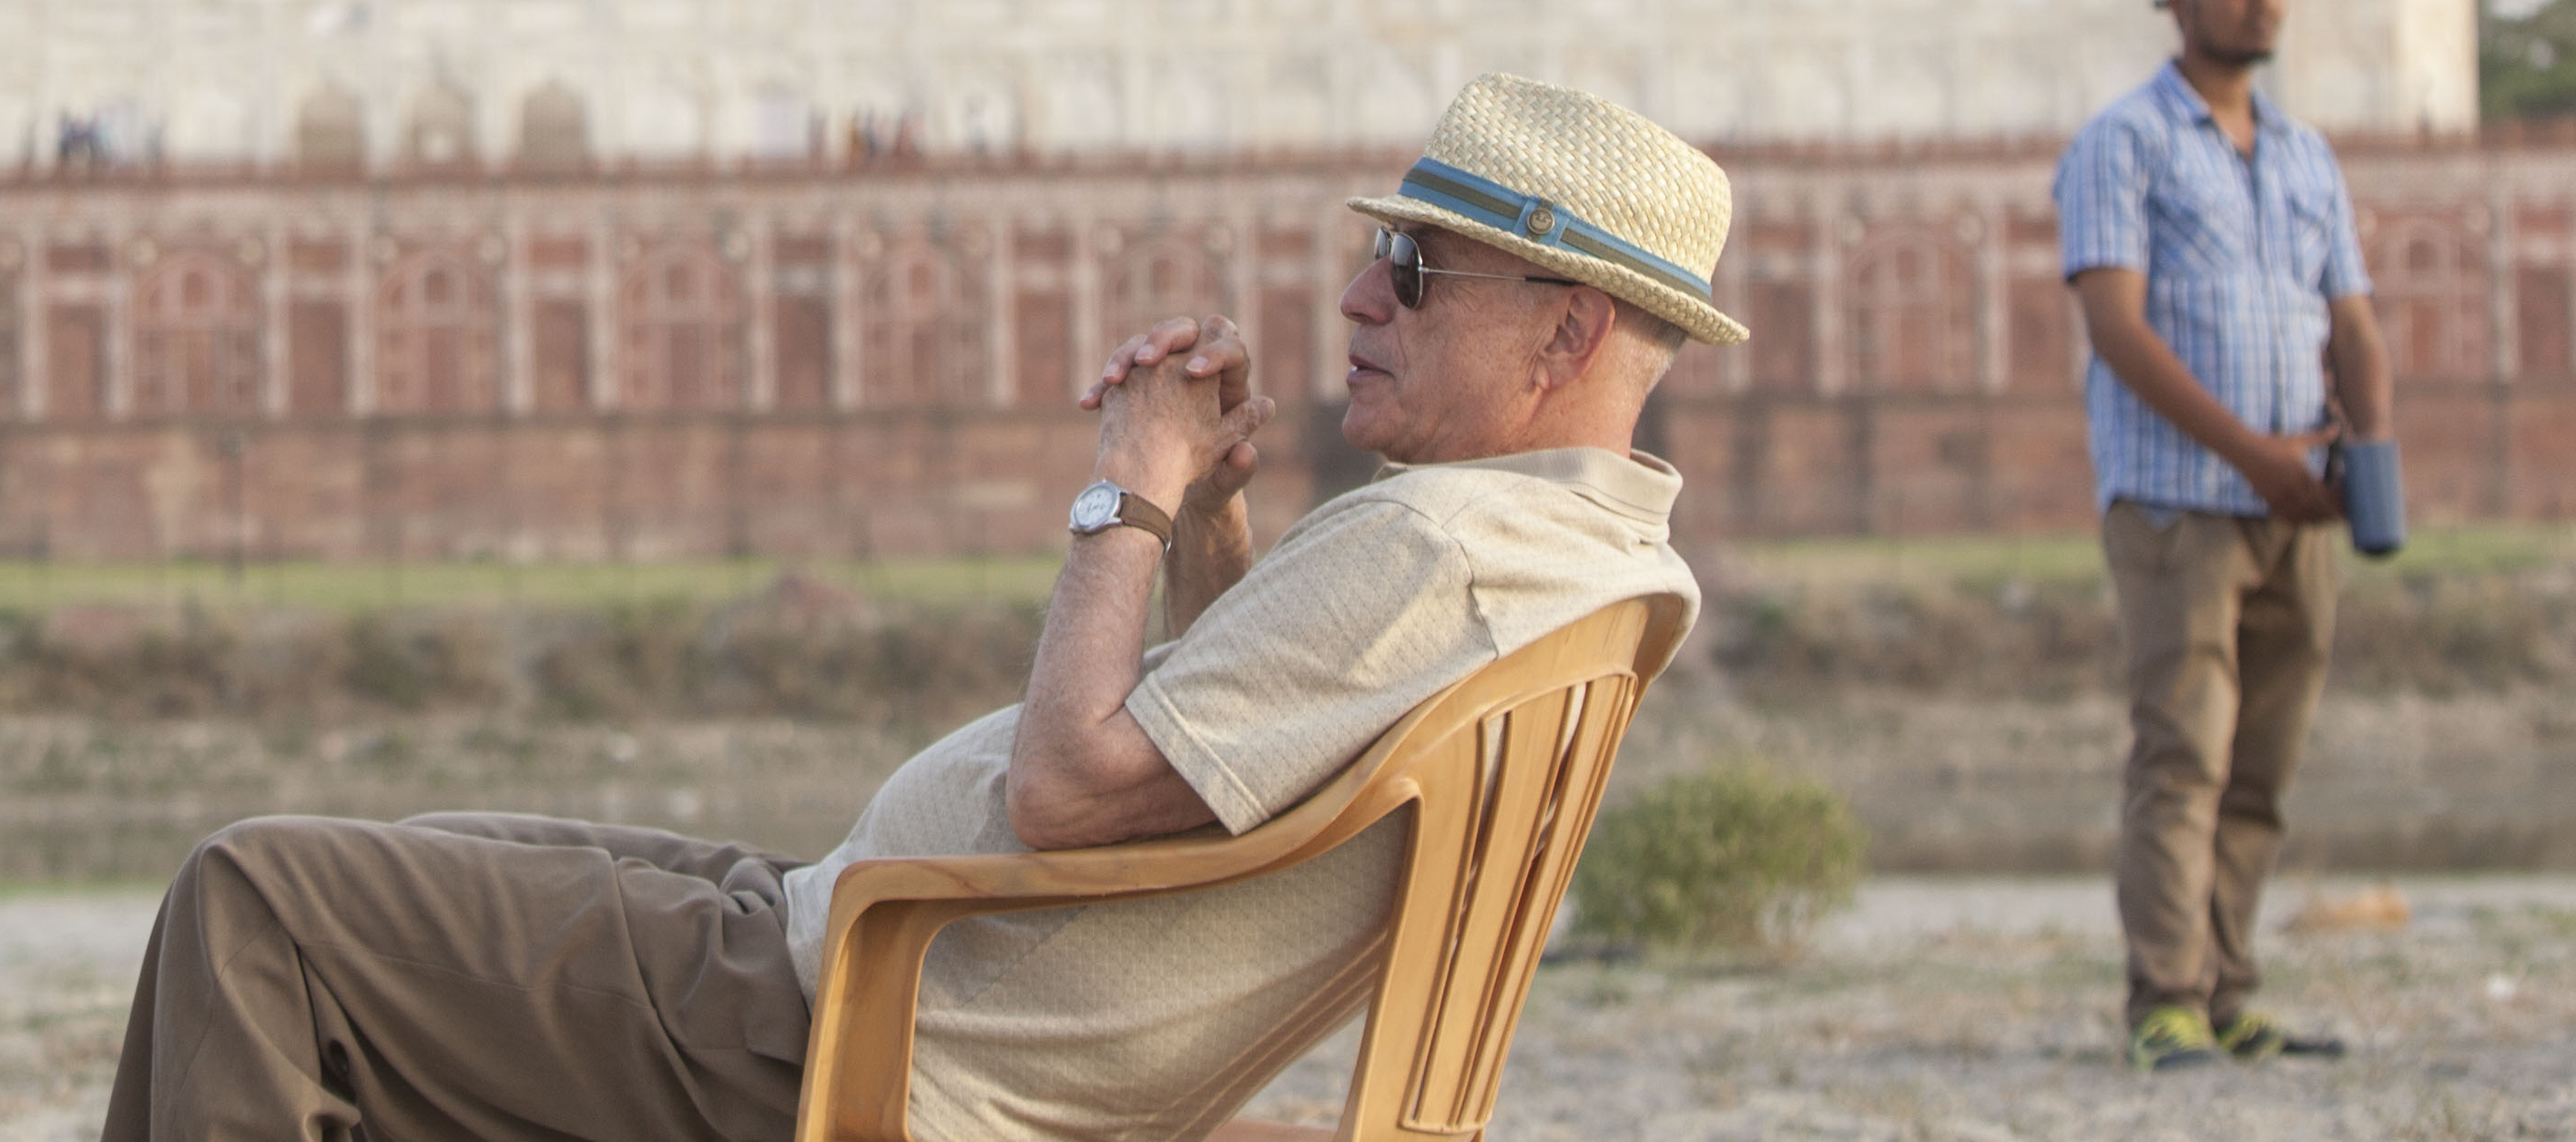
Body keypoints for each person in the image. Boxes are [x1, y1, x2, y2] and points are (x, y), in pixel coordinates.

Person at [95, 76, 1740, 1142]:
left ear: (1568, 332)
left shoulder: (1443, 549)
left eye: (1420, 269)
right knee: (425, 865)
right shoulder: (1587, 557)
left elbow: (1071, 790)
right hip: (861, 949)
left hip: (860, 1030)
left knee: (261, 905)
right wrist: (1214, 515)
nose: (1360, 295)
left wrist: (1129, 482)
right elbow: (1242, 749)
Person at [2055, 0, 2393, 1074]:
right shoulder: (2125, 144)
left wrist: (2367, 451)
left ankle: (2231, 988)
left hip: (2296, 503)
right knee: (2185, 754)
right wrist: (2256, 455)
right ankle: (2166, 999)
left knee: (2263, 765)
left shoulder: (2304, 157)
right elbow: (2118, 329)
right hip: (2180, 502)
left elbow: (2352, 320)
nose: (2262, 2)